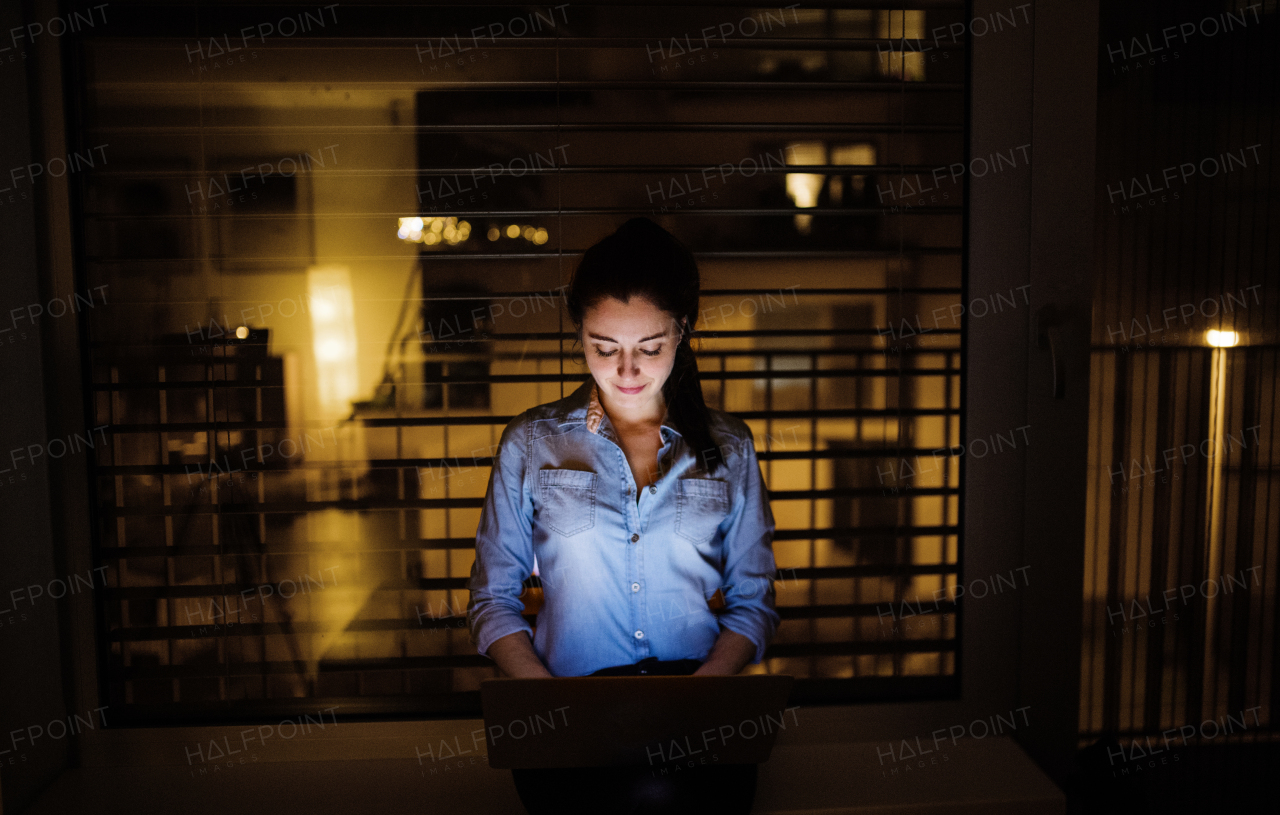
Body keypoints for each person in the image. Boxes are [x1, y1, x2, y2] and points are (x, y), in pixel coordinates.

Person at [465, 217, 781, 814]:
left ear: (682, 331)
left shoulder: (729, 449)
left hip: (698, 718)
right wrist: (545, 705)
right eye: (603, 348)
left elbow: (755, 603)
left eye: (650, 348)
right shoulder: (533, 443)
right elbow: (492, 599)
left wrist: (703, 697)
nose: (626, 371)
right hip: (567, 715)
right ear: (580, 334)